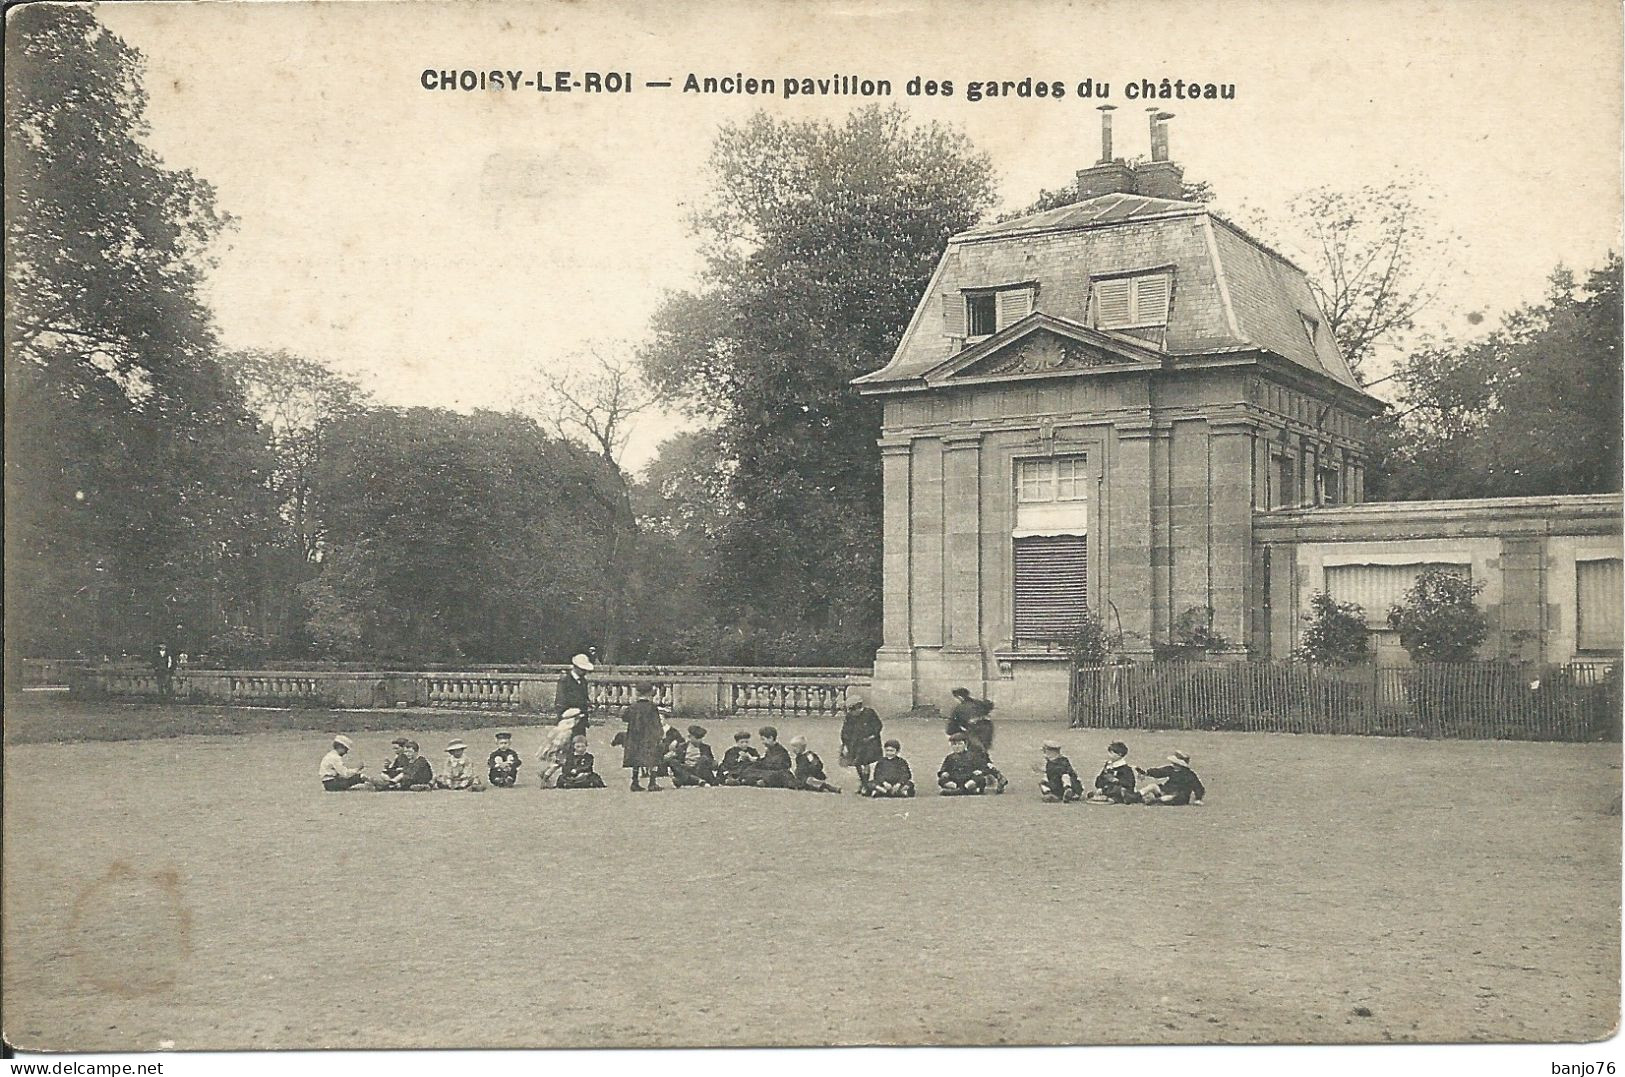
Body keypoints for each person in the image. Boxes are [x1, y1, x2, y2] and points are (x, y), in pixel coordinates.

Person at [620, 682, 664, 791]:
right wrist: (660, 735)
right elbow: (656, 723)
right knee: (653, 758)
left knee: (636, 760)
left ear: (637, 692)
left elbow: (624, 717)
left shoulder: (633, 706)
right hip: (649, 737)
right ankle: (652, 782)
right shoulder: (652, 707)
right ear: (650, 693)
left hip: (635, 737)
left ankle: (635, 782)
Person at [839, 695, 884, 792]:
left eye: (854, 710)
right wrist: (845, 744)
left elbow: (878, 725)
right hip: (855, 743)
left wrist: (872, 736)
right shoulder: (850, 716)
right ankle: (863, 782)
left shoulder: (869, 713)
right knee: (857, 763)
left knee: (866, 762)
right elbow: (845, 731)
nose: (853, 713)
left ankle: (865, 783)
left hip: (869, 743)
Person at [1139, 750, 1206, 805]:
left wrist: (1198, 798)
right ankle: (1138, 795)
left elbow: (1198, 787)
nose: (1173, 765)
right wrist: (1146, 773)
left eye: (1175, 763)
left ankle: (1156, 801)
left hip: (1179, 795)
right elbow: (1159, 772)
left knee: (1170, 797)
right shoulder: (1170, 769)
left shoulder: (1190, 775)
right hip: (1165, 790)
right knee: (1152, 786)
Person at [557, 654, 593, 737]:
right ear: (576, 667)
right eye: (583, 669)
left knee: (579, 743)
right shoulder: (565, 680)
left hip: (581, 720)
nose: (585, 672)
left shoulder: (583, 681)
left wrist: (588, 705)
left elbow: (584, 697)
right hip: (568, 719)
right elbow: (561, 700)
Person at [536, 718, 575, 789]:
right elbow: (562, 745)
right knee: (556, 765)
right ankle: (545, 778)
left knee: (555, 765)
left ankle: (545, 774)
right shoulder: (567, 733)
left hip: (557, 751)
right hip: (559, 753)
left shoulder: (559, 733)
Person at [657, 711, 686, 780]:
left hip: (671, 753)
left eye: (660, 719)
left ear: (665, 720)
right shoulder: (653, 731)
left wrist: (675, 744)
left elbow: (682, 742)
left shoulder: (673, 731)